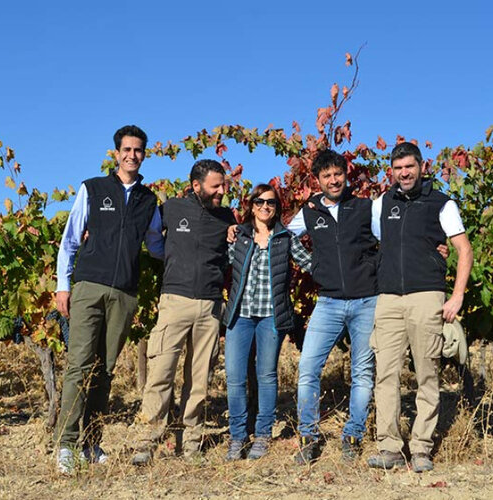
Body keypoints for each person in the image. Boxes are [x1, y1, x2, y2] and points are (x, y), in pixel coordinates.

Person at [54, 125, 165, 474]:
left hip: (124, 292)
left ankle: (91, 442)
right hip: (88, 286)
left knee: (105, 370)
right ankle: (66, 445)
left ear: (144, 155)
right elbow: (70, 239)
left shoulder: (150, 201)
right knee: (79, 366)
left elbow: (157, 245)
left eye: (139, 150)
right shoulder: (93, 188)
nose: (132, 155)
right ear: (116, 153)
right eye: (127, 150)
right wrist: (63, 285)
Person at [367, 142, 473, 473]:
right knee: (384, 374)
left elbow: (464, 251)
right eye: (398, 168)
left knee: (427, 372)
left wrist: (456, 296)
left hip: (427, 296)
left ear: (421, 166)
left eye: (409, 167)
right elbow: (378, 244)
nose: (404, 173)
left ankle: (422, 447)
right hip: (388, 299)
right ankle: (389, 447)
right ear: (392, 172)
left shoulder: (441, 203)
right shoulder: (382, 203)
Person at [131, 159, 236, 464]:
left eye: (223, 185)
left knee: (199, 378)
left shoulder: (226, 216)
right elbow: (150, 238)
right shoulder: (172, 209)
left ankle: (191, 441)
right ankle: (147, 441)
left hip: (210, 305)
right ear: (196, 185)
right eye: (215, 186)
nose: (221, 191)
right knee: (160, 372)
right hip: (174, 301)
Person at [288, 149, 380, 464]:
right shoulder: (310, 210)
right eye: (326, 176)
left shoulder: (366, 207)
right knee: (308, 368)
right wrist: (313, 266)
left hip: (367, 300)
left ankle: (353, 434)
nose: (333, 180)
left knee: (362, 372)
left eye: (337, 174)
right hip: (328, 302)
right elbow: (285, 237)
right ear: (318, 180)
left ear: (346, 174)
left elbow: (392, 241)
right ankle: (308, 436)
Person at [223, 184, 311, 461]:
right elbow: (217, 263)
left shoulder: (286, 238)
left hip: (271, 318)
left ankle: (262, 435)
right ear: (251, 205)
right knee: (235, 378)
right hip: (240, 315)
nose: (264, 207)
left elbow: (311, 264)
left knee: (267, 376)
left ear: (277, 208)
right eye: (259, 202)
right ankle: (237, 437)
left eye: (270, 203)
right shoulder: (240, 235)